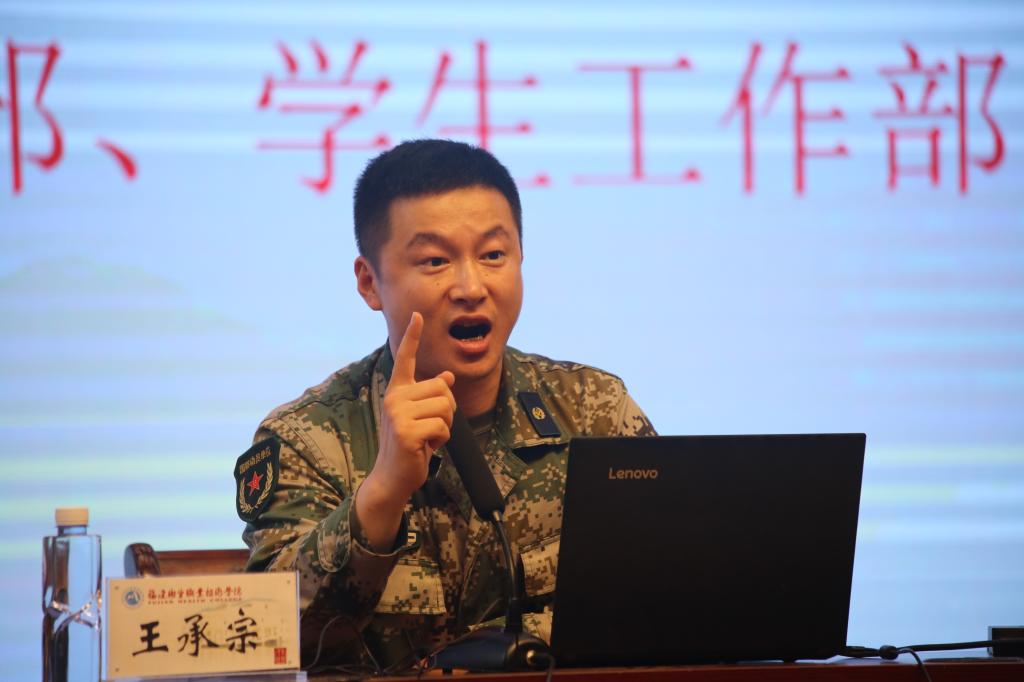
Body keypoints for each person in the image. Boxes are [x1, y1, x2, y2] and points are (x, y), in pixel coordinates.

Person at [234, 139, 655, 670]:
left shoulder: (594, 411)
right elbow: (271, 635)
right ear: (369, 282)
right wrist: (381, 495)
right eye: (435, 261)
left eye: (493, 255)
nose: (471, 286)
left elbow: (668, 592)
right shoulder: (305, 439)